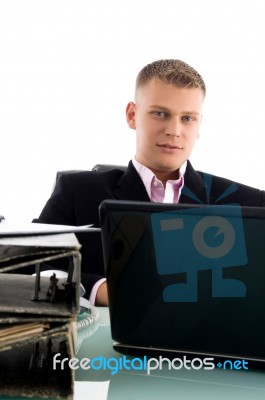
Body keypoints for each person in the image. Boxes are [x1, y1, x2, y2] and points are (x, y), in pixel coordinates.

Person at [33, 59, 265, 306]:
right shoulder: (78, 193)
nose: (174, 130)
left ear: (199, 125)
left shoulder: (247, 203)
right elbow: (23, 267)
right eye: (160, 113)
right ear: (132, 115)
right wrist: (99, 289)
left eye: (187, 118)